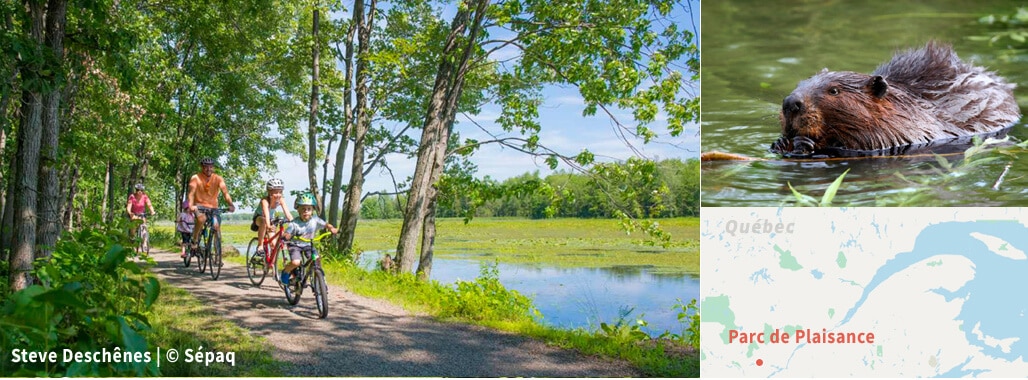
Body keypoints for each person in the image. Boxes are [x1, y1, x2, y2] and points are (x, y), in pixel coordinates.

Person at [280, 192, 337, 285]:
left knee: (317, 259)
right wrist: (286, 236)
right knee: (296, 262)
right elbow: (287, 233)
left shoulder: (315, 220)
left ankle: (320, 279)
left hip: (308, 245)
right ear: (298, 210)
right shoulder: (294, 223)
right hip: (295, 245)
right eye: (303, 209)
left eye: (309, 209)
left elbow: (326, 224)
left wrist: (332, 228)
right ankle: (285, 272)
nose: (306, 211)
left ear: (312, 210)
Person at [187, 157, 237, 252]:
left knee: (216, 226)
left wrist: (231, 204)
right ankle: (194, 239)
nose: (208, 169)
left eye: (211, 167)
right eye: (206, 167)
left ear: (213, 167)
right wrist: (190, 206)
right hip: (199, 206)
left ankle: (218, 254)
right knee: (201, 219)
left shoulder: (218, 178)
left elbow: (225, 193)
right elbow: (191, 193)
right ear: (202, 167)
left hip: (213, 207)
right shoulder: (196, 178)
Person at [252, 178, 293, 256]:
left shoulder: (281, 199)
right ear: (269, 192)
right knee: (264, 221)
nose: (278, 195)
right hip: (260, 217)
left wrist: (295, 223)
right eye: (276, 192)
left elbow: (288, 214)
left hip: (270, 219)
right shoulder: (265, 200)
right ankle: (260, 245)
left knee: (274, 245)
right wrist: (268, 226)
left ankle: (271, 266)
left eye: (280, 192)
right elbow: (266, 214)